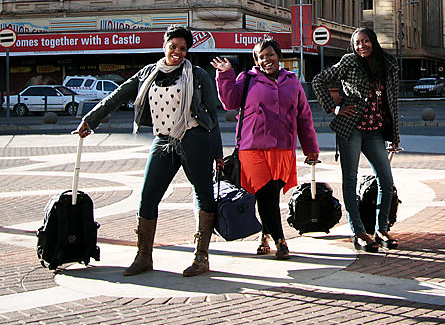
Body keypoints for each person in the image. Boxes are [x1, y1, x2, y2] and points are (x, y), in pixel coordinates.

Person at [75, 25, 223, 277]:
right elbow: (118, 96)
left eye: (183, 48)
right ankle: (143, 256)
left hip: (195, 139)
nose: (177, 52)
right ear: (164, 46)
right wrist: (90, 120)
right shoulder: (148, 74)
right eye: (173, 46)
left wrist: (218, 153)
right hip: (163, 139)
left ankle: (201, 257)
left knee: (203, 194)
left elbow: (212, 114)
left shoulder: (198, 75)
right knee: (148, 196)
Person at [211, 39, 319, 260]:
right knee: (265, 192)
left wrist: (310, 147)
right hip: (252, 148)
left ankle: (265, 236)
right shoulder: (247, 79)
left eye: (270, 55)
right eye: (261, 57)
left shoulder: (292, 81)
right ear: (256, 61)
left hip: (282, 148)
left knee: (270, 197)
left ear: (279, 56)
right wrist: (225, 75)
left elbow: (303, 116)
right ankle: (281, 241)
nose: (266, 60)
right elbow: (229, 103)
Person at [312, 28, 400, 253]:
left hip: (375, 131)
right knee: (350, 180)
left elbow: (392, 103)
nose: (362, 46)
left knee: (386, 180)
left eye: (366, 41)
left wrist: (394, 136)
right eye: (357, 42)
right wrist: (334, 108)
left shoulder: (388, 65)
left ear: (373, 42)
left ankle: (381, 230)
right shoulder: (349, 62)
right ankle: (358, 233)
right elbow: (319, 80)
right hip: (351, 129)